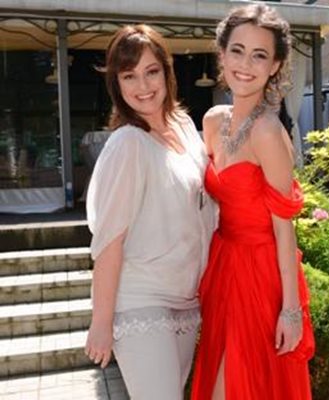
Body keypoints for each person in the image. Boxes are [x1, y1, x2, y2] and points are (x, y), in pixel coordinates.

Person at [84, 24, 216, 400]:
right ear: (116, 84)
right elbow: (109, 241)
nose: (143, 86)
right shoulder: (128, 144)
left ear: (166, 72)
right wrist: (101, 322)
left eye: (151, 71)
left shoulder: (185, 127)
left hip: (188, 300)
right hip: (141, 300)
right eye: (129, 75)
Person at [190, 4, 315, 400]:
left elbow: (284, 230)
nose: (245, 65)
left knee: (241, 384)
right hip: (223, 263)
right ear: (222, 54)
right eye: (238, 50)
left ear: (275, 65)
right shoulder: (212, 121)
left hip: (261, 274)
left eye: (260, 55)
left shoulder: (268, 133)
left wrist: (291, 311)